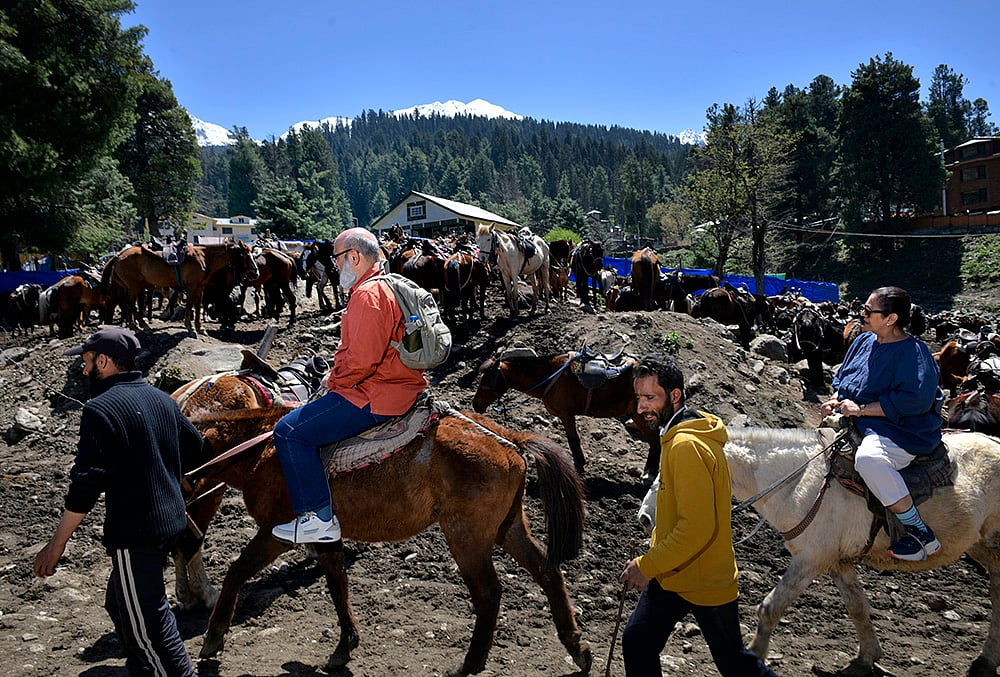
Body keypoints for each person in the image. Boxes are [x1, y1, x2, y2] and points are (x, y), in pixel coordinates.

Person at [34, 327, 202, 676]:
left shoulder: (100, 410)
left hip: (136, 535)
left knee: (153, 632)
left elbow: (85, 487)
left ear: (104, 361)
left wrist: (55, 545)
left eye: (87, 362)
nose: (83, 371)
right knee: (120, 602)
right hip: (172, 524)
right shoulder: (162, 399)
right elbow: (196, 447)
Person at [620, 353, 778, 677]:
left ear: (675, 395)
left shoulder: (685, 447)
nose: (641, 408)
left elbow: (696, 528)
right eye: (639, 398)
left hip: (704, 578)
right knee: (637, 640)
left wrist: (647, 565)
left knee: (737, 666)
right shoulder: (684, 435)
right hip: (674, 574)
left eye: (650, 397)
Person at [271, 227, 426, 544]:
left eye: (337, 259)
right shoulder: (387, 285)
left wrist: (332, 379)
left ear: (353, 256)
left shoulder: (367, 295)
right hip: (401, 384)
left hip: (377, 395)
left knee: (289, 431)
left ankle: (318, 519)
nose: (335, 266)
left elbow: (362, 362)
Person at [821, 286, 944, 561]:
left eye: (868, 310)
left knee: (869, 460)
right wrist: (835, 398)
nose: (861, 314)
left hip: (899, 430)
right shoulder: (864, 342)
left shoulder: (914, 354)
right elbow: (844, 378)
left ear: (891, 319)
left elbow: (914, 402)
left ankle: (919, 530)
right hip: (858, 420)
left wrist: (862, 409)